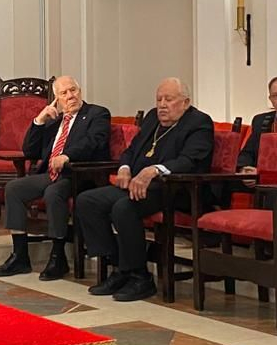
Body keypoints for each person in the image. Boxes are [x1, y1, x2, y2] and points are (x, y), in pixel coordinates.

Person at [73, 78, 213, 303]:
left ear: (185, 102)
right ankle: (120, 266)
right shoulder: (152, 118)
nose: (162, 105)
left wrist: (154, 170)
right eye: (159, 99)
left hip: (174, 190)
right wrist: (125, 167)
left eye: (169, 99)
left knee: (124, 207)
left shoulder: (199, 122)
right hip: (137, 185)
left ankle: (140, 277)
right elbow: (131, 149)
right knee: (87, 201)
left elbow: (191, 159)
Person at [0, 76, 111, 282]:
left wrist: (67, 156)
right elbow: (29, 150)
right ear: (56, 99)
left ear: (80, 91)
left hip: (78, 174)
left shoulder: (96, 114)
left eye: (72, 90)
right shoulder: (55, 121)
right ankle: (20, 255)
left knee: (53, 193)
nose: (70, 96)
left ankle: (58, 256)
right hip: (50, 174)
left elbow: (94, 142)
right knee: (14, 188)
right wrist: (39, 120)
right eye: (63, 93)